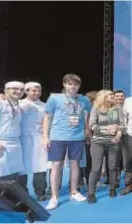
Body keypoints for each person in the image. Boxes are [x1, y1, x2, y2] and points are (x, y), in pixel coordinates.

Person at [43, 74, 91, 210]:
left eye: (75, 84)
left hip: (77, 137)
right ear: (64, 84)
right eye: (70, 84)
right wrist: (45, 136)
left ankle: (74, 191)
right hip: (58, 137)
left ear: (79, 86)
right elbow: (47, 117)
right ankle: (54, 196)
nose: (72, 86)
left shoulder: (84, 100)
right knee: (57, 165)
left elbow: (86, 116)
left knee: (75, 164)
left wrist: (87, 130)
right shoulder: (54, 99)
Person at [87, 90, 125, 203]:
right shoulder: (96, 109)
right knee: (96, 168)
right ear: (104, 97)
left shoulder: (116, 109)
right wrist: (105, 129)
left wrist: (118, 134)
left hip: (113, 141)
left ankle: (112, 188)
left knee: (113, 166)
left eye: (113, 96)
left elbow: (122, 125)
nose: (113, 97)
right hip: (98, 141)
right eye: (111, 96)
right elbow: (92, 125)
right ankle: (91, 193)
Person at [19, 82, 48, 201]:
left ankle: (40, 192)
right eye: (34, 90)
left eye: (39, 90)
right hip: (22, 138)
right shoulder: (19, 104)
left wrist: (45, 136)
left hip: (38, 137)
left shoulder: (44, 105)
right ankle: (22, 193)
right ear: (26, 91)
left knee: (40, 165)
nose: (37, 93)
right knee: (21, 167)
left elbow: (45, 122)